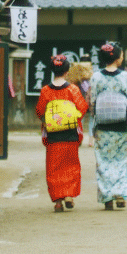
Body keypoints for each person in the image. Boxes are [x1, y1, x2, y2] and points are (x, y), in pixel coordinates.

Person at [35, 55, 88, 212]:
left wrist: (52, 120)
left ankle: (58, 201)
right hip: (70, 134)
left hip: (53, 135)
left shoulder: (46, 91)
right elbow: (82, 108)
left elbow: (39, 111)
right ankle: (69, 195)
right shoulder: (73, 89)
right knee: (70, 165)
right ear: (67, 71)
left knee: (54, 167)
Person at [89, 42, 127, 210]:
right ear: (117, 58)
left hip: (102, 123)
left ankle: (106, 197)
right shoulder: (125, 77)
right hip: (120, 123)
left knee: (103, 161)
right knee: (120, 160)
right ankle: (120, 194)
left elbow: (92, 101)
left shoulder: (96, 77)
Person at [66, 54, 94, 146]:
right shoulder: (91, 73)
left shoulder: (75, 73)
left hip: (79, 100)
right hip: (90, 100)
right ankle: (91, 141)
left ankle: (79, 139)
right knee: (91, 120)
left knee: (80, 120)